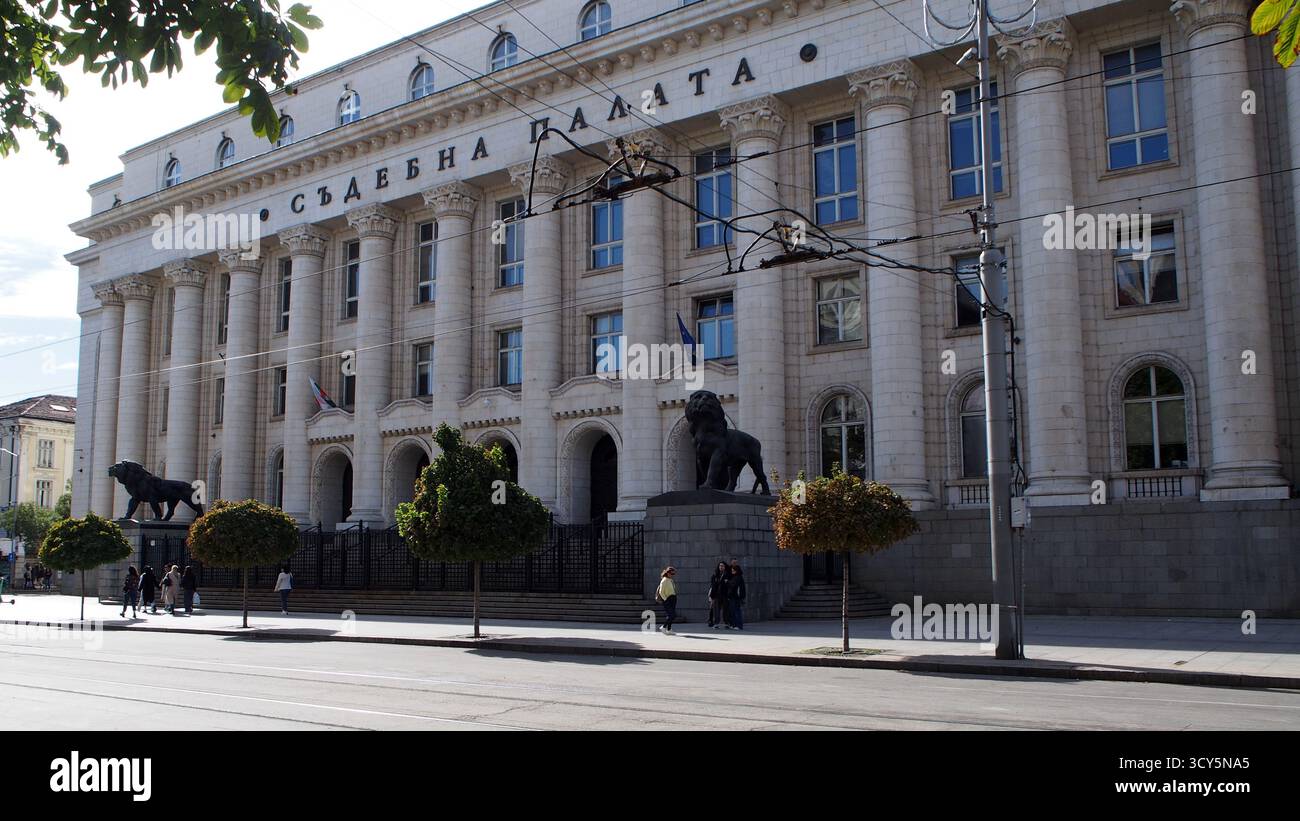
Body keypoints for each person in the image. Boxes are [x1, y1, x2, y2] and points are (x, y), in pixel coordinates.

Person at [655, 566, 678, 634]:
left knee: (671, 615)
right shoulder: (664, 580)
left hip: (673, 598)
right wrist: (665, 600)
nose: (672, 575)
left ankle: (669, 629)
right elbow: (661, 592)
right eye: (671, 574)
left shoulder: (670, 580)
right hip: (668, 599)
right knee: (672, 615)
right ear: (667, 573)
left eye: (673, 574)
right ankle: (664, 627)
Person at [708, 560, 729, 629]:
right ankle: (716, 623)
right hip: (716, 595)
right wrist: (712, 596)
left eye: (722, 566)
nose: (721, 567)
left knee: (726, 610)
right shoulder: (715, 575)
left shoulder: (727, 575)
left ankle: (726, 623)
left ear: (725, 567)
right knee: (716, 610)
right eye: (720, 566)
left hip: (725, 595)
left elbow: (729, 585)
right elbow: (712, 586)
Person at [725, 561, 746, 630]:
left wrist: (727, 582)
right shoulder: (737, 577)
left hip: (735, 597)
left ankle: (738, 625)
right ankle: (735, 625)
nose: (732, 572)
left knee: (736, 611)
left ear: (736, 571)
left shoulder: (737, 577)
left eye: (733, 571)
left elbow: (733, 585)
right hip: (735, 596)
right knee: (734, 611)